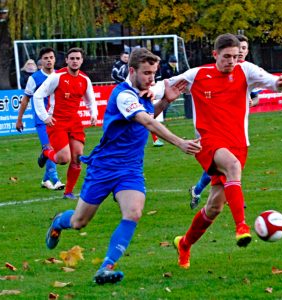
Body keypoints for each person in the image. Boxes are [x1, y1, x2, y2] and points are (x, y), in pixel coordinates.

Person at [43, 48, 201, 285]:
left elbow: (148, 115)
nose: (151, 78)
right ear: (131, 70)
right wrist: (179, 142)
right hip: (104, 168)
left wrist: (166, 100)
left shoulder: (142, 95)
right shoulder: (123, 95)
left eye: (153, 73)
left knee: (134, 212)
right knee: (79, 222)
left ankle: (106, 267)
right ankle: (58, 221)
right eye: (146, 73)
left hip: (130, 169)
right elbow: (146, 120)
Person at [166, 33, 282, 269]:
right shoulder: (197, 74)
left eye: (235, 56)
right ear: (215, 55)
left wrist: (280, 83)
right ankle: (241, 227)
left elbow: (269, 81)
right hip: (208, 141)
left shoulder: (246, 70)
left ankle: (184, 243)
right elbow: (168, 84)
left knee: (214, 206)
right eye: (226, 57)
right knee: (232, 167)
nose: (232, 61)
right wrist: (149, 91)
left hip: (238, 144)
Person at [188, 34, 255, 210]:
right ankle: (240, 218)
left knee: (214, 204)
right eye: (232, 53)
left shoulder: (248, 71)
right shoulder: (205, 74)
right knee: (228, 166)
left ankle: (199, 192)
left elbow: (254, 98)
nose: (239, 54)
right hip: (216, 134)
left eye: (243, 50)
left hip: (238, 134)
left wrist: (250, 101)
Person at [33, 47, 98, 199]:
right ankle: (46, 152)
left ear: (82, 61)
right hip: (57, 121)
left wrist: (93, 114)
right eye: (72, 58)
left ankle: (68, 192)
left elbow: (91, 101)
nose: (75, 61)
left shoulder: (85, 79)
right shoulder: (57, 76)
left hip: (74, 121)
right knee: (63, 159)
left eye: (78, 58)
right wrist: (44, 116)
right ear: (67, 60)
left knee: (78, 157)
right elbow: (37, 95)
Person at [16, 47, 65, 190]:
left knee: (55, 149)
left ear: (55, 59)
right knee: (51, 148)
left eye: (51, 57)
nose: (49, 60)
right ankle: (55, 180)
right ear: (41, 62)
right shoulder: (34, 78)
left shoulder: (60, 76)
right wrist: (19, 119)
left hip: (57, 119)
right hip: (41, 120)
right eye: (45, 58)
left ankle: (45, 179)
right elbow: (25, 100)